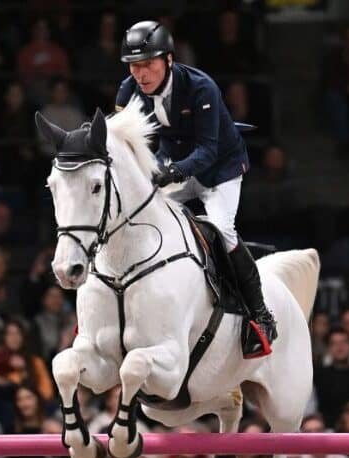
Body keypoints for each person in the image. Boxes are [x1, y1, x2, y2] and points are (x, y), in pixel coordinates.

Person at [115, 20, 275, 358]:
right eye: (134, 66)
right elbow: (120, 141)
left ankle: (260, 315)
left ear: (169, 60)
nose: (140, 74)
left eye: (148, 65)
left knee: (221, 230)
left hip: (219, 168)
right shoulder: (128, 92)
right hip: (173, 161)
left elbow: (207, 151)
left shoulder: (201, 88)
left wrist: (170, 172)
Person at [0, 319, 55, 402]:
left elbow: (47, 392)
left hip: (36, 404)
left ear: (23, 337)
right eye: (10, 334)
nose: (14, 337)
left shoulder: (35, 361)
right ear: (3, 337)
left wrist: (25, 371)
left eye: (18, 333)